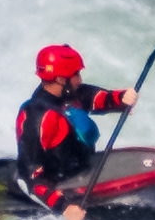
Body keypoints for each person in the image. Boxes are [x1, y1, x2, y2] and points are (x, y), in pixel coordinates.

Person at [13, 42, 135, 206]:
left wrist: (122, 98)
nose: (80, 79)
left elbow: (97, 98)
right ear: (60, 79)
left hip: (80, 170)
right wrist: (63, 207)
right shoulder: (37, 116)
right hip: (53, 185)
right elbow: (31, 173)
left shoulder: (70, 93)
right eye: (76, 74)